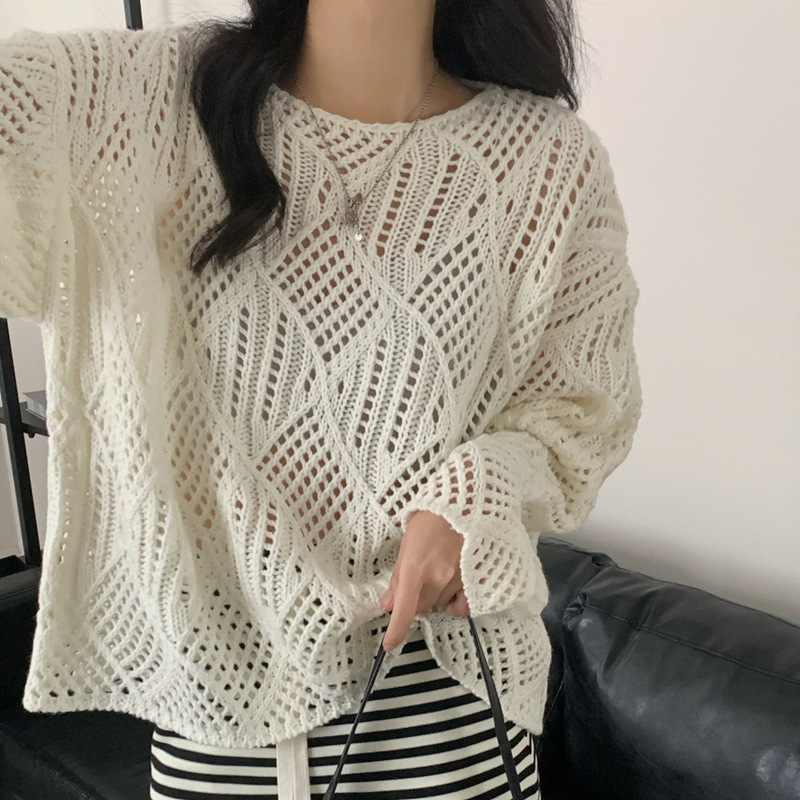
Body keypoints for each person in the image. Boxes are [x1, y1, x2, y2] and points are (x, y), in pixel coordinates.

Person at [0, 0, 642, 797]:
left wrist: (479, 490)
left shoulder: (550, 159)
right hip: (217, 720)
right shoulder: (134, 98)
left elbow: (581, 411)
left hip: (442, 713)